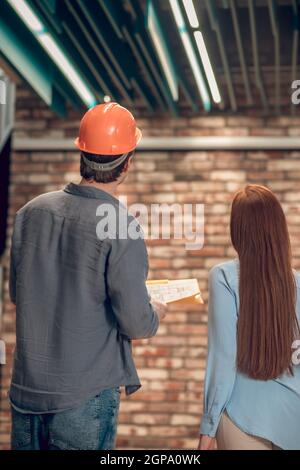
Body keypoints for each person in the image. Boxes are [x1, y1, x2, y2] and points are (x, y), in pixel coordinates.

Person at [9, 102, 167, 450]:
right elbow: (137, 323)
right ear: (127, 164)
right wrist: (156, 310)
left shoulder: (30, 213)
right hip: (84, 399)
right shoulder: (121, 226)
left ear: (81, 152)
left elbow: (20, 294)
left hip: (26, 395)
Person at [198, 184, 300, 450]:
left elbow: (222, 361)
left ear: (237, 231)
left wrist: (207, 429)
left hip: (241, 419)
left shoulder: (224, 277)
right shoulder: (298, 284)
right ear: (278, 228)